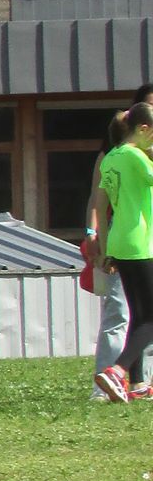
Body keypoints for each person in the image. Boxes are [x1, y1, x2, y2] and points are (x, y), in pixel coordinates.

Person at [85, 83, 153, 398]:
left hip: (121, 243)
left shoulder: (112, 156)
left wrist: (106, 248)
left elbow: (100, 205)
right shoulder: (135, 157)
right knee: (150, 317)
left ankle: (137, 384)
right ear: (142, 129)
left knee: (139, 313)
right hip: (142, 243)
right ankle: (116, 372)